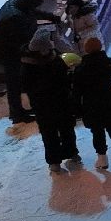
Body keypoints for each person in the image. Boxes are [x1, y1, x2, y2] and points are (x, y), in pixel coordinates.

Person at [0, 0, 55, 123]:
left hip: (13, 50)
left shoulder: (18, 5)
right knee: (14, 82)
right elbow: (22, 37)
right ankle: (17, 113)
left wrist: (51, 17)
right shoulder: (13, 16)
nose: (35, 8)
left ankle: (18, 110)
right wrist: (34, 48)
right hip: (10, 53)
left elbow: (32, 12)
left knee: (16, 82)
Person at [70, 36, 111, 169]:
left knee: (97, 131)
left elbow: (77, 92)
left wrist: (76, 110)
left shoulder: (81, 70)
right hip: (110, 102)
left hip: (92, 106)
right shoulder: (109, 63)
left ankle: (102, 159)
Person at [29, 38, 79, 171]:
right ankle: (70, 153)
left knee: (49, 134)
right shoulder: (56, 61)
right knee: (65, 129)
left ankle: (54, 161)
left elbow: (26, 86)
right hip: (59, 102)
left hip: (43, 106)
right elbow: (65, 81)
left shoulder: (28, 65)